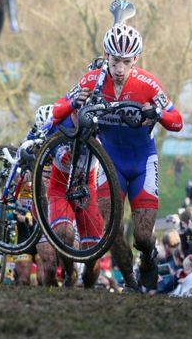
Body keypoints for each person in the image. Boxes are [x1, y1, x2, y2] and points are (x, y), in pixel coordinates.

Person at [52, 23, 183, 291]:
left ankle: (147, 257)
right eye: (114, 60)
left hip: (142, 162)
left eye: (125, 61)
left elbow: (177, 122)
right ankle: (132, 282)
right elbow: (57, 110)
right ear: (106, 56)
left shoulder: (148, 84)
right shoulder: (92, 81)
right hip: (110, 162)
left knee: (143, 236)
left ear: (135, 59)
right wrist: (75, 101)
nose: (119, 68)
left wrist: (156, 113)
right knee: (111, 230)